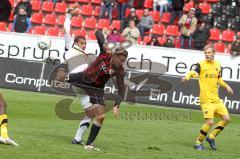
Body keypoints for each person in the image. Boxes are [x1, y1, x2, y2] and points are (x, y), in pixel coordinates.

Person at [181, 44, 233, 150]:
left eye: (209, 53)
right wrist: (186, 78)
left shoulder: (218, 65)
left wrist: (226, 86)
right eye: (205, 53)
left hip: (216, 99)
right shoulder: (200, 65)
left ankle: (212, 137)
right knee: (210, 122)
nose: (207, 54)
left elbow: (218, 79)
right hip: (206, 100)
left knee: (227, 119)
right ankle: (198, 143)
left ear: (214, 53)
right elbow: (192, 72)